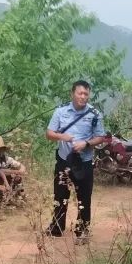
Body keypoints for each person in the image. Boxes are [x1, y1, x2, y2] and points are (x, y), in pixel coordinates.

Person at [44, 80, 107, 244]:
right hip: (64, 160)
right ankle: (57, 227)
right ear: (72, 94)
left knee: (84, 197)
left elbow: (101, 137)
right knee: (60, 195)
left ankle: (82, 231)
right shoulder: (60, 111)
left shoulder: (95, 114)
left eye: (86, 94)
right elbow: (49, 133)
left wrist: (86, 144)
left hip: (83, 162)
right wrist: (61, 136)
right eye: (80, 93)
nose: (83, 97)